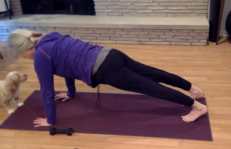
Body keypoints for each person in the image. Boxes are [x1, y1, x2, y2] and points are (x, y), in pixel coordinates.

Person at [7, 29, 207, 127]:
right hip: (110, 53)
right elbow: (67, 65)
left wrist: (50, 120)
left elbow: (46, 91)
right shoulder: (49, 37)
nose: (21, 58)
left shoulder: (41, 57)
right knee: (153, 73)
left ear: (23, 50)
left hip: (105, 69)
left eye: (19, 55)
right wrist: (70, 93)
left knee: (150, 87)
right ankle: (193, 89)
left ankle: (196, 106)